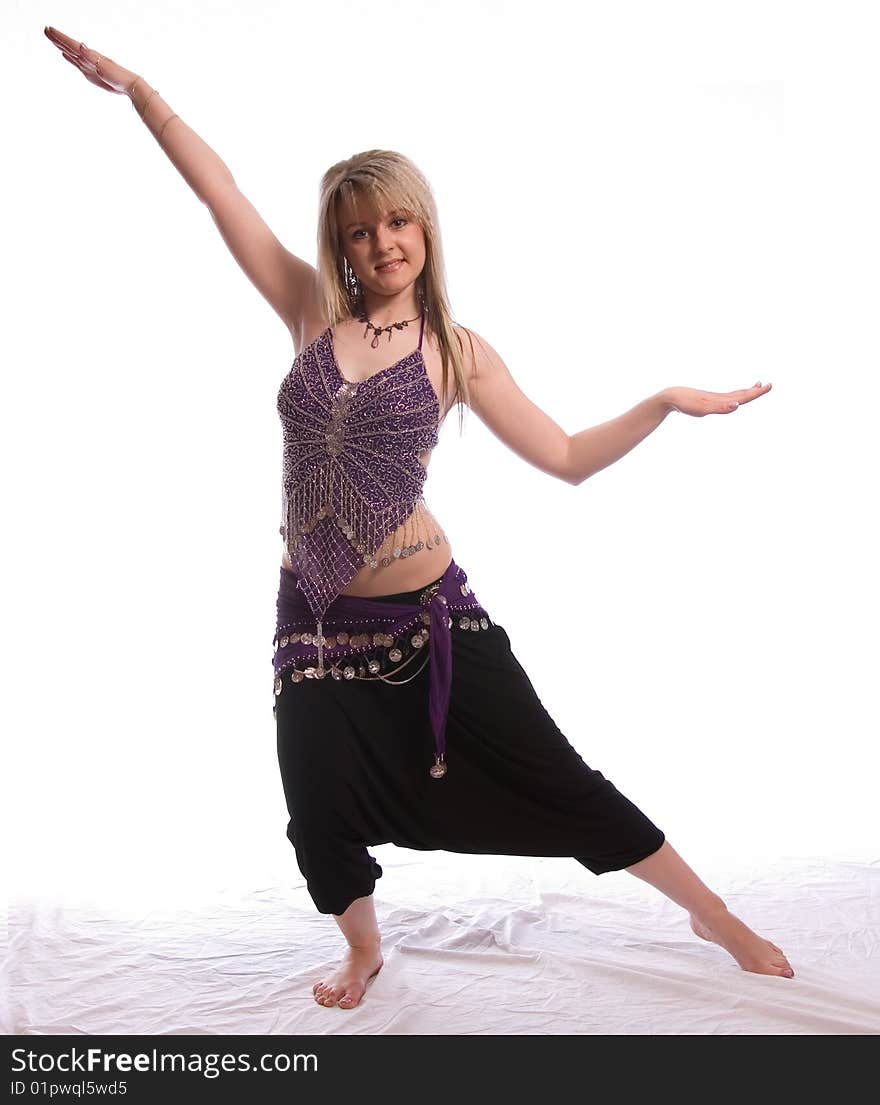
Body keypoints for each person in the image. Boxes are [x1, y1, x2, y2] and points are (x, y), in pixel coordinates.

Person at [45, 26, 795, 1012]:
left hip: (433, 621)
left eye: (397, 222)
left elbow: (565, 458)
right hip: (313, 619)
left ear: (425, 229)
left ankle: (713, 913)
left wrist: (659, 404)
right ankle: (363, 951)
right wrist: (141, 92)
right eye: (359, 229)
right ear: (339, 244)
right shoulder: (308, 307)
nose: (381, 243)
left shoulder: (457, 350)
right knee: (316, 810)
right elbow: (219, 191)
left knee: (564, 782)